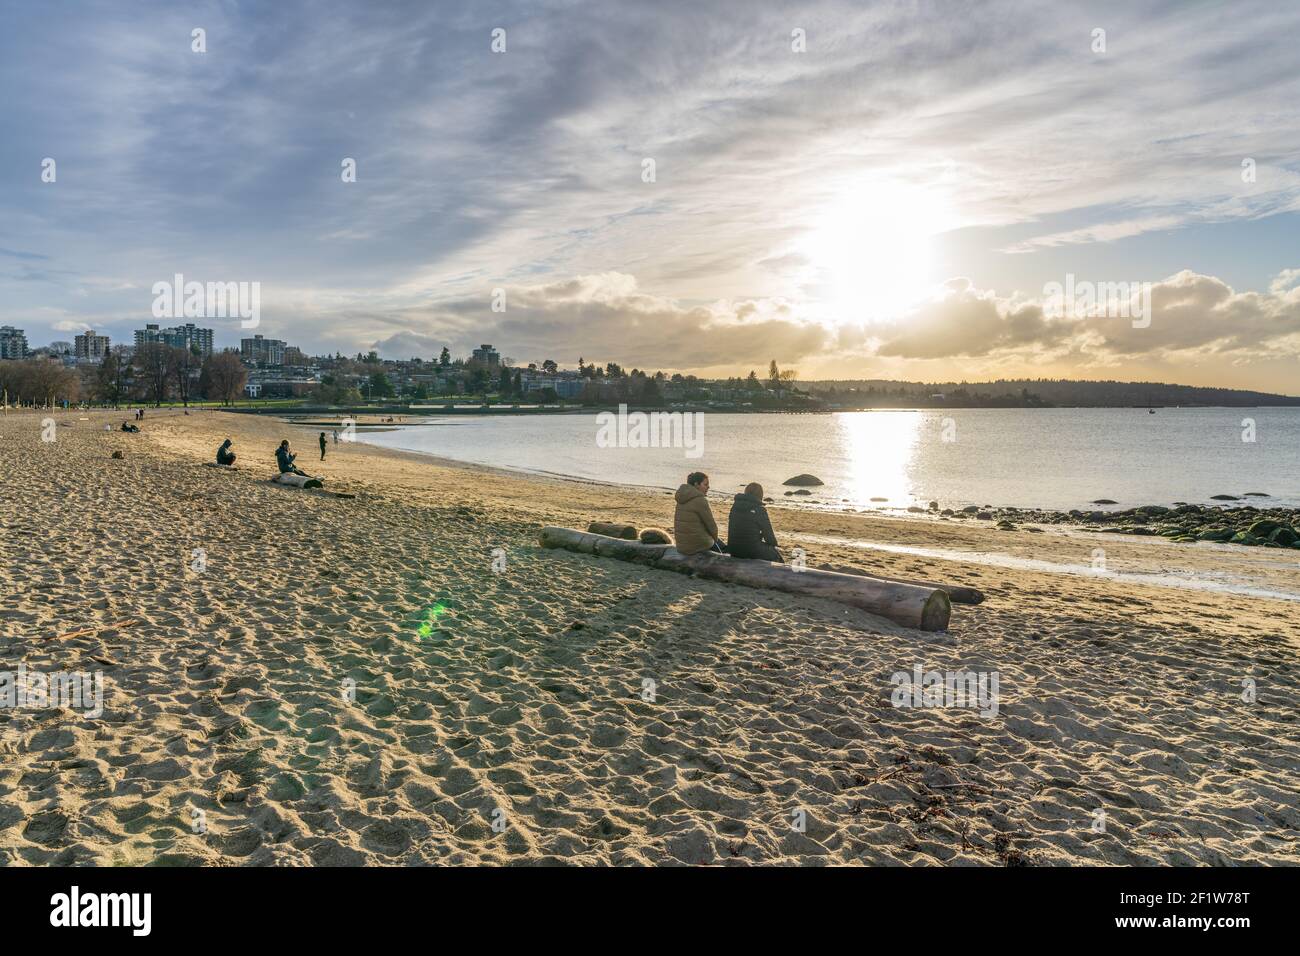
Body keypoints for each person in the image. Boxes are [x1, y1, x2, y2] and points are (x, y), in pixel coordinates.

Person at [727, 483, 783, 562]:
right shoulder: (760, 510)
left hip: (733, 549)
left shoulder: (735, 507)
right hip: (751, 550)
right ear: (760, 495)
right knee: (776, 555)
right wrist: (773, 545)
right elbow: (769, 537)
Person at [673, 471, 725, 555]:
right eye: (705, 484)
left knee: (717, 542)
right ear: (696, 484)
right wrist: (714, 539)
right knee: (722, 547)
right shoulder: (700, 500)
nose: (708, 487)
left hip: (681, 546)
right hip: (696, 546)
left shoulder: (681, 497)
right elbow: (711, 526)